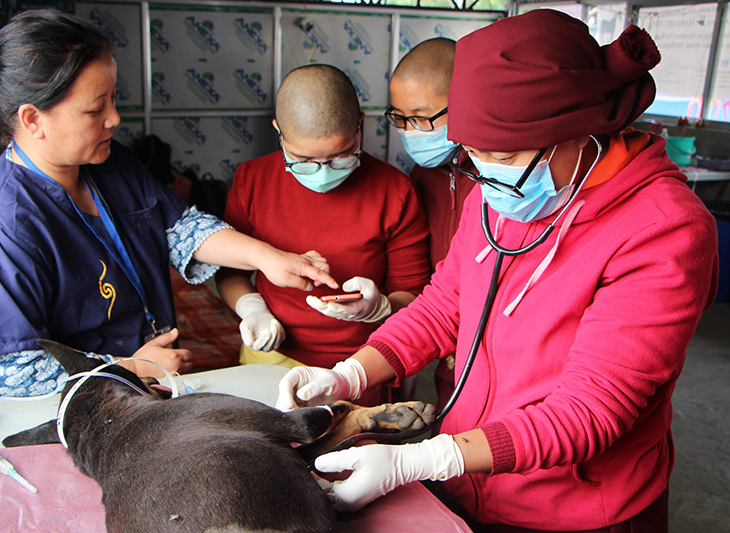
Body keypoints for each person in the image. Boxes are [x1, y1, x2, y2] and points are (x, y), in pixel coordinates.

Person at [276, 10, 719, 532]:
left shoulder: (663, 229)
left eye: (503, 155)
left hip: (572, 507)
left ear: (581, 132)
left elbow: (590, 411)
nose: (486, 175)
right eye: (473, 156)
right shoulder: (503, 194)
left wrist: (423, 459)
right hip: (468, 481)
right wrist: (349, 373)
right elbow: (445, 307)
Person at [0, 9, 337, 397]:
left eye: (113, 99)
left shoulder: (109, 162)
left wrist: (268, 257)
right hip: (87, 412)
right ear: (33, 120)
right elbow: (16, 373)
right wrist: (132, 368)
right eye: (95, 109)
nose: (114, 119)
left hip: (151, 386)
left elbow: (181, 228)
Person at [216, 64, 431, 406]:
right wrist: (252, 308)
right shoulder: (252, 181)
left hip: (361, 362)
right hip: (274, 357)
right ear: (279, 132)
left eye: (341, 156)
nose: (323, 173)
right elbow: (229, 271)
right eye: (302, 160)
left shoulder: (396, 192)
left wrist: (382, 307)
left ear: (360, 125)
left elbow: (417, 295)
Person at [387, 37, 477, 406]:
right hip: (442, 336)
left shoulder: (503, 176)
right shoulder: (422, 175)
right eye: (400, 118)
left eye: (422, 118)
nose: (411, 131)